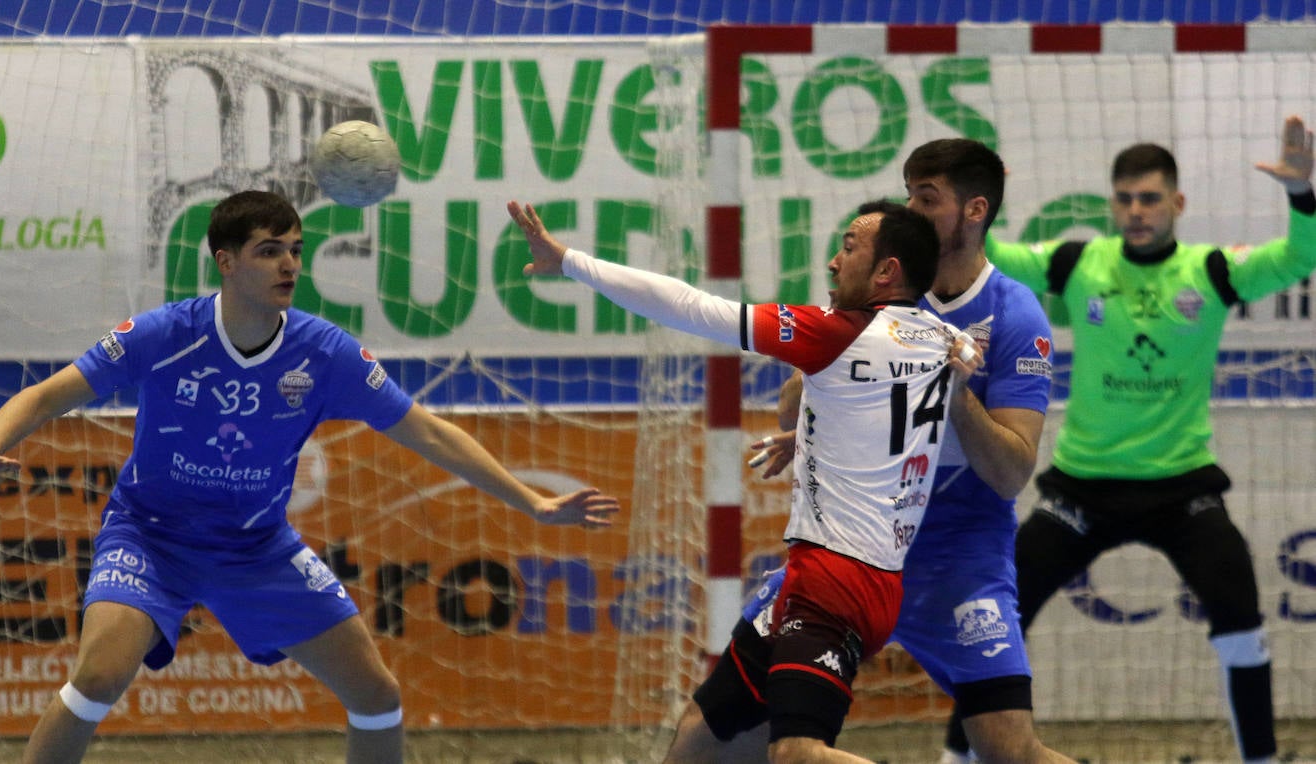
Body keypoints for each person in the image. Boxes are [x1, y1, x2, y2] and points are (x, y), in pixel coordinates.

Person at [0, 190, 620, 764]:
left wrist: (533, 501)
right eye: (270, 250)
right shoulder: (164, 334)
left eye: (295, 248)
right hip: (151, 539)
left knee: (377, 695)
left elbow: (430, 432)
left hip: (256, 548)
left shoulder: (324, 354)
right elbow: (45, 396)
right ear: (226, 261)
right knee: (97, 675)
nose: (289, 263)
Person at [509, 196, 982, 764]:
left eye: (849, 248)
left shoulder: (836, 333)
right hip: (834, 577)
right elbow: (885, 410)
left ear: (887, 272)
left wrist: (570, 262)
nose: (833, 262)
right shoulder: (942, 338)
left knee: (795, 754)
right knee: (700, 738)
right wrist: (808, 436)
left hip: (835, 583)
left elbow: (690, 305)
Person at [939, 114, 1316, 764]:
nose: (1136, 211)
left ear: (1177, 203)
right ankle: (957, 758)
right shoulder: (1080, 263)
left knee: (1242, 623)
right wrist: (983, 207)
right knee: (993, 623)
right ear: (1112, 204)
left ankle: (1260, 760)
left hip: (1183, 490)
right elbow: (992, 260)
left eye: (1149, 199)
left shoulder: (1214, 271)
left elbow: (1300, 257)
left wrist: (1302, 195)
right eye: (1125, 199)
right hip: (1082, 487)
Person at [685, 139, 1075, 764]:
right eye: (907, 194)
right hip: (855, 548)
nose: (911, 212)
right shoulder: (886, 290)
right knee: (702, 748)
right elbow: (791, 405)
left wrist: (950, 390)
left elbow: (1009, 474)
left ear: (975, 211)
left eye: (927, 199)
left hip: (957, 556)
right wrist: (826, 403)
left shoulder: (1015, 315)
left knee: (1010, 751)